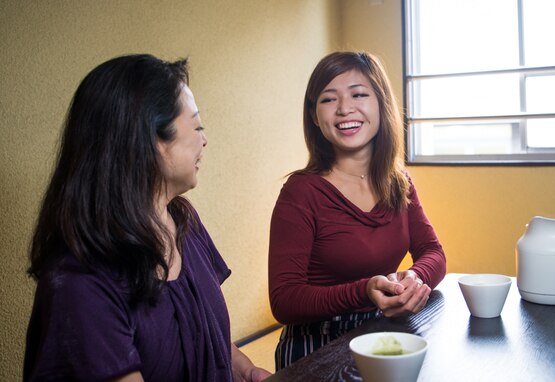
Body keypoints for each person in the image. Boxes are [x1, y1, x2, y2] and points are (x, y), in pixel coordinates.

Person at [23, 54, 271, 382]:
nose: (205, 139)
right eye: (196, 126)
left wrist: (247, 370)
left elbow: (209, 335)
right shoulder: (80, 283)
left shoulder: (184, 221)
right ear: (149, 140)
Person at [268, 51, 447, 369]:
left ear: (381, 104)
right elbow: (284, 300)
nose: (344, 109)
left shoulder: (398, 183)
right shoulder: (300, 192)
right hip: (315, 349)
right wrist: (364, 291)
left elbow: (433, 252)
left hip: (382, 334)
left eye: (359, 94)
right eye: (328, 99)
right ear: (314, 115)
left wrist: (415, 279)